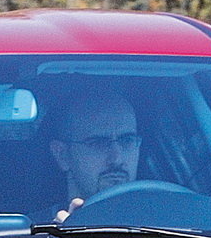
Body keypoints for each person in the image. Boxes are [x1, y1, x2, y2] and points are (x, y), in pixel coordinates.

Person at [42, 88, 141, 222]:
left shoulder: (171, 224)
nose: (116, 159)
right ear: (62, 155)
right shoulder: (30, 236)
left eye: (127, 140)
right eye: (98, 143)